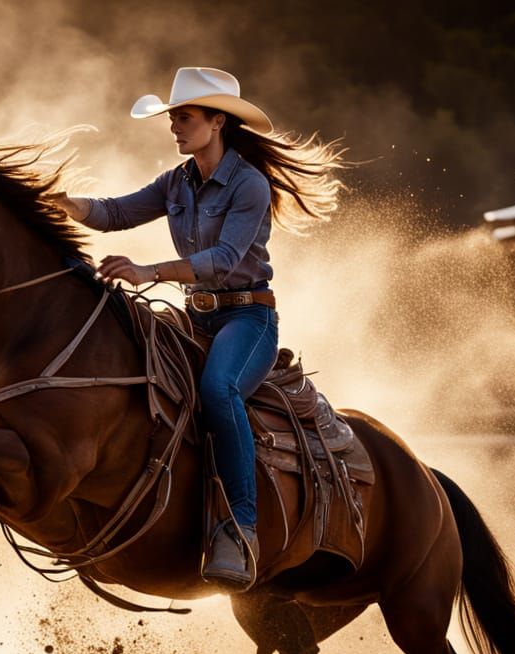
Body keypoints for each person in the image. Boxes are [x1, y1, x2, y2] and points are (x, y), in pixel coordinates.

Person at [53, 67, 344, 590]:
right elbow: (115, 213)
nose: (174, 127)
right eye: (172, 118)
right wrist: (59, 201)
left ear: (217, 122)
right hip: (197, 318)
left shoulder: (250, 184)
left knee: (218, 389)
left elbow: (225, 259)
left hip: (247, 318)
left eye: (183, 117)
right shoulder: (177, 181)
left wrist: (148, 272)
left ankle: (240, 526)